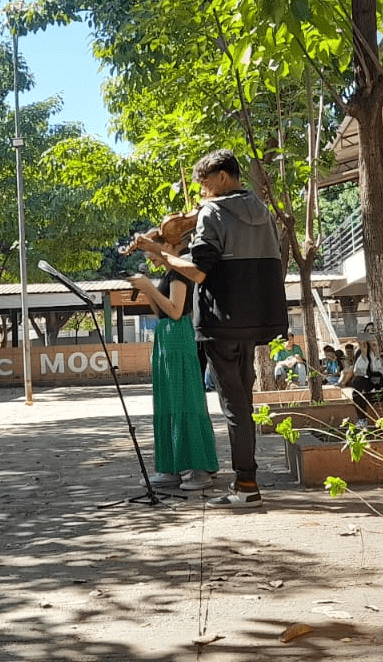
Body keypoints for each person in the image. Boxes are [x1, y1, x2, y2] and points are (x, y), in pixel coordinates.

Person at [131, 149, 288, 509]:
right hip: (254, 317)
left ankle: (246, 486)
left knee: (233, 405)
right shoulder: (263, 212)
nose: (201, 193)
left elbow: (199, 272)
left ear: (222, 177)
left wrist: (159, 250)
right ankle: (246, 479)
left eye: (204, 184)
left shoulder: (214, 213)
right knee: (243, 403)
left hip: (221, 320)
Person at [128, 236, 220, 492]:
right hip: (167, 338)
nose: (149, 256)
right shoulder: (169, 273)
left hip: (178, 337)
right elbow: (160, 312)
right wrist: (147, 289)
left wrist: (149, 286)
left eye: (152, 249)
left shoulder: (179, 271)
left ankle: (198, 468)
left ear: (169, 246)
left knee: (184, 401)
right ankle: (173, 467)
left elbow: (176, 310)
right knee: (169, 402)